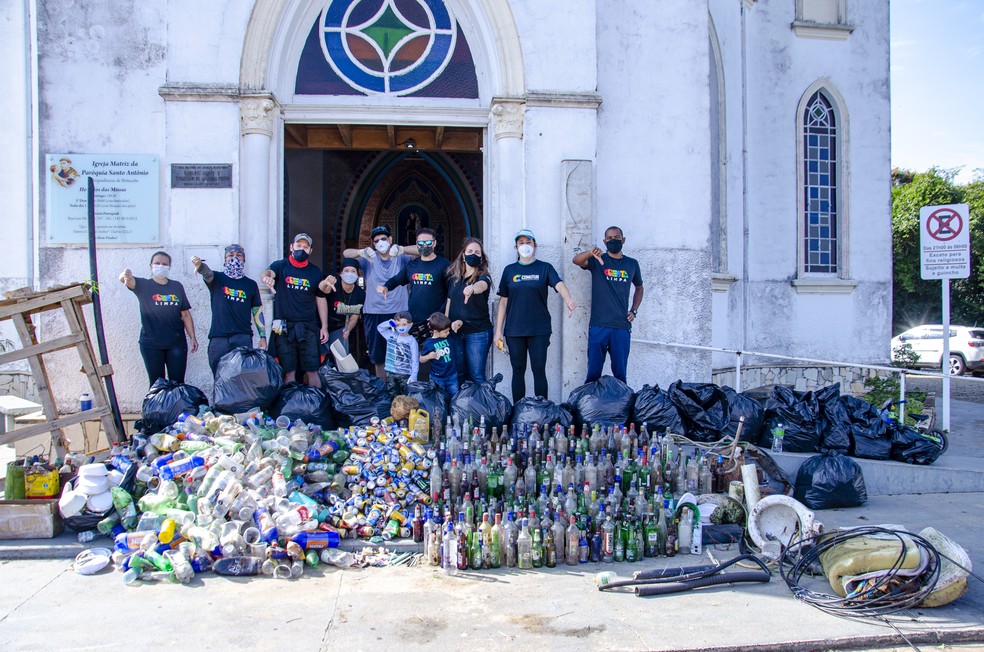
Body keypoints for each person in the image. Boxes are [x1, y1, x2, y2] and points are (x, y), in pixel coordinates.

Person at [494, 229, 577, 403]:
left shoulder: (545, 268)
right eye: (521, 243)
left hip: (539, 329)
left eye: (528, 242)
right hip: (514, 330)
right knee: (518, 370)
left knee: (539, 369)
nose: (525, 246)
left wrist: (568, 299)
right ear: (516, 247)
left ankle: (542, 410)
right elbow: (503, 302)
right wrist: (498, 331)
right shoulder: (510, 271)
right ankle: (519, 411)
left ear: (535, 246)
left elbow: (559, 285)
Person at [342, 226, 419, 380]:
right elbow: (346, 254)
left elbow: (422, 250)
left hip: (399, 314)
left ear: (390, 240)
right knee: (378, 356)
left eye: (383, 239)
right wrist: (361, 252)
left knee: (401, 353)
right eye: (376, 241)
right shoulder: (368, 259)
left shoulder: (400, 257)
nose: (380, 242)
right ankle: (384, 390)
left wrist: (402, 249)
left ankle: (400, 391)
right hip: (374, 313)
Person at [573, 226, 645, 383]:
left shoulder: (632, 264)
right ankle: (589, 406)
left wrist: (634, 311)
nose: (614, 240)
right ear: (605, 242)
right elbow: (576, 260)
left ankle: (620, 407)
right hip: (599, 325)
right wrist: (590, 252)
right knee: (593, 374)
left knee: (620, 376)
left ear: (623, 240)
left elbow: (639, 288)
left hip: (621, 327)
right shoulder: (598, 261)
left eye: (617, 237)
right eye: (610, 238)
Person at [119, 251, 198, 385]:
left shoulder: (176, 286)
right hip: (151, 344)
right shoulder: (143, 285)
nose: (160, 266)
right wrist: (125, 275)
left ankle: (176, 407)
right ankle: (156, 407)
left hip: (176, 343)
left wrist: (192, 337)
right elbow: (126, 280)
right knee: (156, 383)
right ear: (151, 266)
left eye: (164, 264)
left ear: (169, 267)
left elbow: (185, 314)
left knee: (177, 383)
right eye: (157, 263)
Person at [261, 233, 328, 388]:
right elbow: (267, 273)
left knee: (312, 370)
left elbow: (320, 297)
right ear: (291, 247)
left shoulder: (315, 272)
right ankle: (289, 406)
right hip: (284, 328)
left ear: (310, 251)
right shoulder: (280, 266)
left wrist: (324, 326)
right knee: (288, 371)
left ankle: (315, 406)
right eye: (299, 246)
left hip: (308, 327)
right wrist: (266, 278)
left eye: (305, 247)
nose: (301, 249)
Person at [191, 245, 265, 377]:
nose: (234, 258)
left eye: (239, 255)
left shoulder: (251, 284)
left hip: (242, 337)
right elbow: (207, 274)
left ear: (244, 259)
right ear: (225, 260)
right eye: (230, 256)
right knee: (219, 379)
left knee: (241, 379)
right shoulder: (218, 279)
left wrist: (263, 336)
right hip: (219, 339)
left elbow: (257, 311)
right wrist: (200, 266)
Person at [380, 227, 450, 342]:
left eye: (428, 242)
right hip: (414, 320)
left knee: (435, 356)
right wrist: (386, 287)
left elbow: (450, 293)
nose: (424, 245)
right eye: (420, 243)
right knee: (414, 355)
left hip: (435, 322)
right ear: (416, 244)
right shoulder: (412, 265)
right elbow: (397, 280)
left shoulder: (445, 265)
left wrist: (440, 314)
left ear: (434, 243)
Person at [445, 237, 493, 384]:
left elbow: (482, 285)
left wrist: (472, 288)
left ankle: (482, 406)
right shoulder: (454, 278)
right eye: (470, 251)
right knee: (459, 374)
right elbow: (449, 301)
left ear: (481, 257)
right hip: (455, 332)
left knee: (477, 376)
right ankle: (463, 406)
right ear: (463, 255)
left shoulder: (483, 277)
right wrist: (445, 325)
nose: (473, 254)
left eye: (477, 252)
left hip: (477, 332)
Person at [318, 257, 366, 357]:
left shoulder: (360, 293)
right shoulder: (334, 285)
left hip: (340, 327)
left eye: (353, 271)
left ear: (357, 274)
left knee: (341, 357)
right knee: (321, 356)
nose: (350, 273)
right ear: (341, 273)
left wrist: (347, 329)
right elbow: (322, 290)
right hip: (323, 324)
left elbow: (355, 315)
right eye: (346, 271)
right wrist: (325, 282)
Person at [377, 311, 419, 397]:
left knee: (406, 397)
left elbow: (415, 359)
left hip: (405, 375)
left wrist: (414, 375)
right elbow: (380, 328)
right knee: (391, 395)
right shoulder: (390, 335)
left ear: (410, 325)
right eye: (398, 325)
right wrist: (389, 323)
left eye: (404, 324)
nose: (401, 327)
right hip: (391, 372)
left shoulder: (412, 341)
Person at [420, 312, 458, 396]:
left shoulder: (448, 337)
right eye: (445, 332)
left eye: (448, 331)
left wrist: (458, 323)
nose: (448, 333)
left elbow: (458, 324)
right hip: (437, 377)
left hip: (452, 375)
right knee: (439, 398)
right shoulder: (428, 343)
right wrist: (428, 356)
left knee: (455, 397)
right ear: (436, 331)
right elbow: (421, 359)